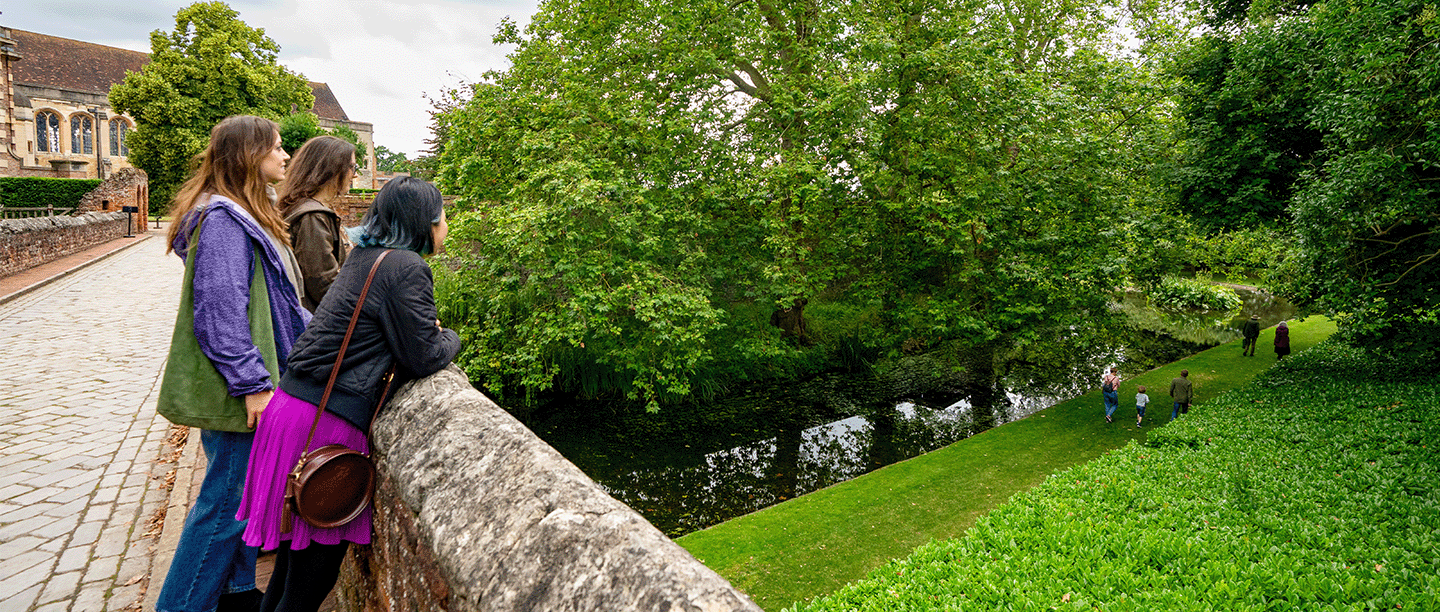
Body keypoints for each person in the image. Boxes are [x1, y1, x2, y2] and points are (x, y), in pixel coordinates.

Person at [237, 177, 461, 612]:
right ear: (425, 222)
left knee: (288, 573)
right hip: (324, 426)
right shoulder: (407, 267)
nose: (446, 225)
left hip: (293, 409)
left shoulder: (367, 256)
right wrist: (450, 336)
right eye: (442, 217)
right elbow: (424, 356)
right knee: (307, 588)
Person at [158, 116, 308, 612]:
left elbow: (281, 303)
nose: (286, 156)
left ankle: (237, 595)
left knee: (244, 498)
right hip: (242, 386)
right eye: (278, 147)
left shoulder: (240, 212)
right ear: (250, 154)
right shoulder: (223, 219)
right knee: (225, 508)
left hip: (254, 379)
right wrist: (252, 383)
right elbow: (219, 311)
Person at [277, 135, 357, 311]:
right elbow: (324, 284)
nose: (355, 174)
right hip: (317, 324)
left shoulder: (303, 208)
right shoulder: (313, 216)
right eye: (352, 167)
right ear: (332, 169)